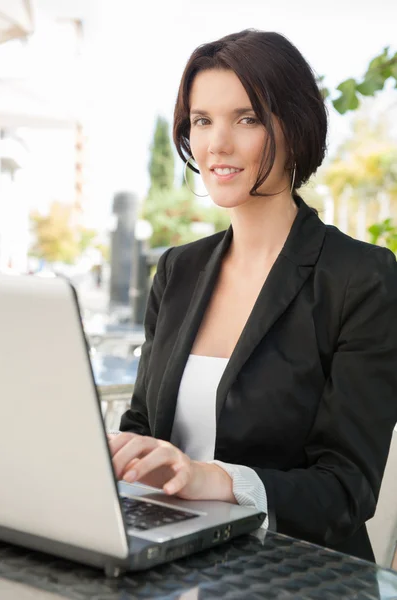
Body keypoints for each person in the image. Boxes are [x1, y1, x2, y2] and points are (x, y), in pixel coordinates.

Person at [108, 29, 397, 562]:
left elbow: (346, 490)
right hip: (170, 562)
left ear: (295, 126)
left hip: (298, 574)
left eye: (247, 119)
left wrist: (213, 479)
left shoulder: (361, 277)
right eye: (202, 120)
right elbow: (142, 429)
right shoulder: (178, 270)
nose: (217, 143)